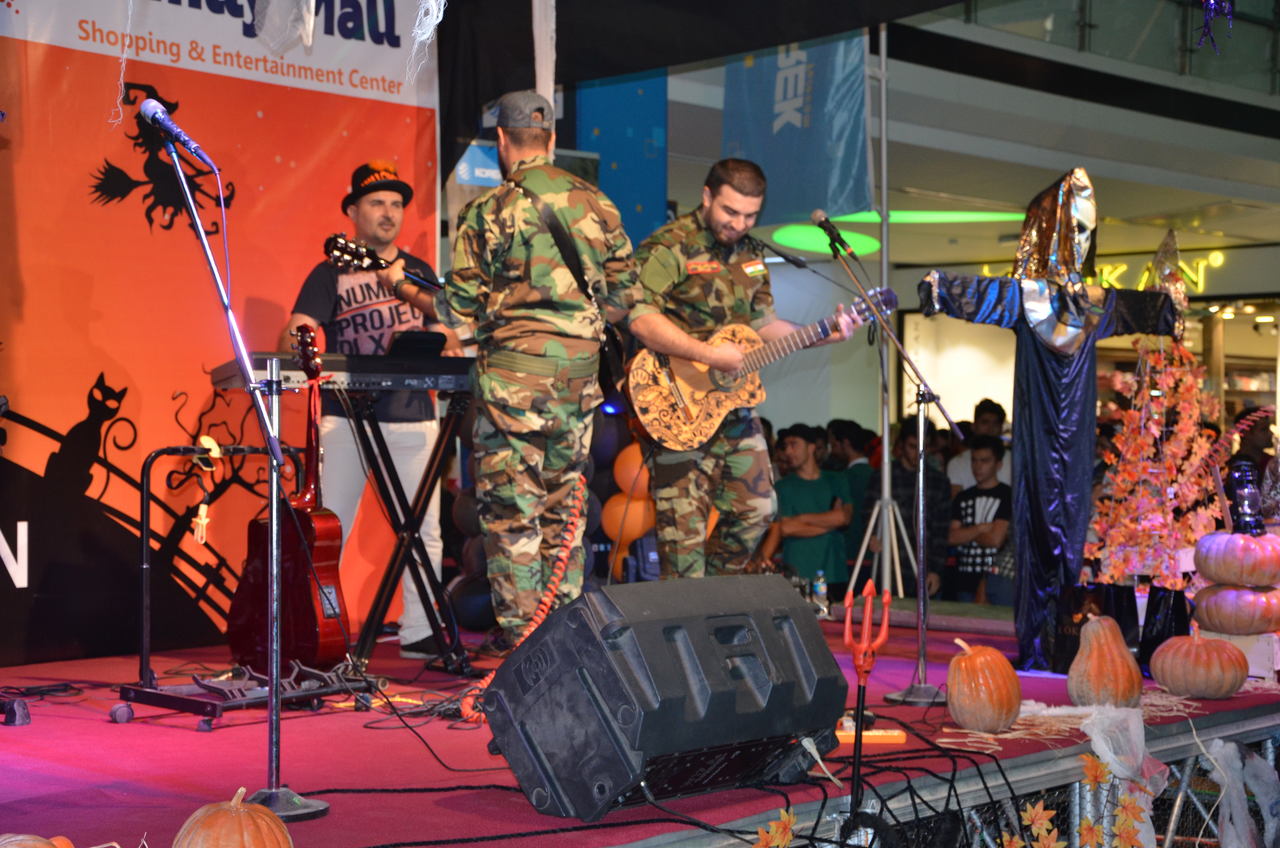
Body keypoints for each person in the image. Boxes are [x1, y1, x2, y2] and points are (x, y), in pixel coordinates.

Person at [379, 91, 742, 647]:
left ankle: (525, 653)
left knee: (512, 520)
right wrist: (705, 353)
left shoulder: (488, 211)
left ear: (501, 141)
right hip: (576, 396)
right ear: (549, 140)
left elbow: (459, 311)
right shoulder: (600, 206)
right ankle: (568, 647)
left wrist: (401, 285)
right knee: (565, 515)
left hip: (511, 393)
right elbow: (630, 306)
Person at [635, 158, 857, 580]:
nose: (738, 223)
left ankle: (715, 595)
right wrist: (709, 353)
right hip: (676, 402)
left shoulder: (754, 254)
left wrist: (823, 333)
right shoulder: (669, 246)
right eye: (729, 211)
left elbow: (765, 326)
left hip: (733, 405)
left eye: (750, 215)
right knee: (683, 536)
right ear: (706, 196)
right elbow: (639, 320)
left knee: (757, 510)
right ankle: (686, 617)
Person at [280, 159, 460, 660]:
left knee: (425, 530)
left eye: (397, 204)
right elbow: (294, 330)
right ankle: (319, 634)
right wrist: (301, 341)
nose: (388, 212)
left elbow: (452, 329)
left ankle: (421, 631)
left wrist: (409, 294)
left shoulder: (420, 272)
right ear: (353, 211)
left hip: (413, 416)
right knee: (328, 527)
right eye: (377, 202)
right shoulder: (330, 270)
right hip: (345, 417)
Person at [755, 425, 852, 598]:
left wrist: (799, 519)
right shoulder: (782, 487)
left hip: (834, 571)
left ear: (812, 447)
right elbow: (784, 528)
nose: (789, 452)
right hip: (797, 573)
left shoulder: (836, 479)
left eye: (794, 445)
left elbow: (844, 517)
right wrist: (830, 523)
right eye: (785, 446)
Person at [863, 416, 950, 597]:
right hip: (889, 565)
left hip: (924, 566)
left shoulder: (939, 481)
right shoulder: (883, 477)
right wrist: (872, 536)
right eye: (912, 446)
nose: (918, 453)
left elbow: (941, 531)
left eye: (924, 447)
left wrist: (936, 570)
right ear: (901, 445)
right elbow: (868, 515)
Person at [946, 435, 1013, 604]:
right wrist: (981, 528)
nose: (978, 467)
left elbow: (996, 539)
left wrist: (967, 532)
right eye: (974, 461)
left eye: (985, 461)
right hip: (964, 579)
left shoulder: (1008, 495)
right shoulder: (962, 497)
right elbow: (951, 537)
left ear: (998, 464)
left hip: (998, 580)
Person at [946, 399, 1010, 497]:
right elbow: (956, 505)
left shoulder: (1014, 461)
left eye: (995, 423)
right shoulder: (957, 463)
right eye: (985, 422)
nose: (990, 428)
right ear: (974, 426)